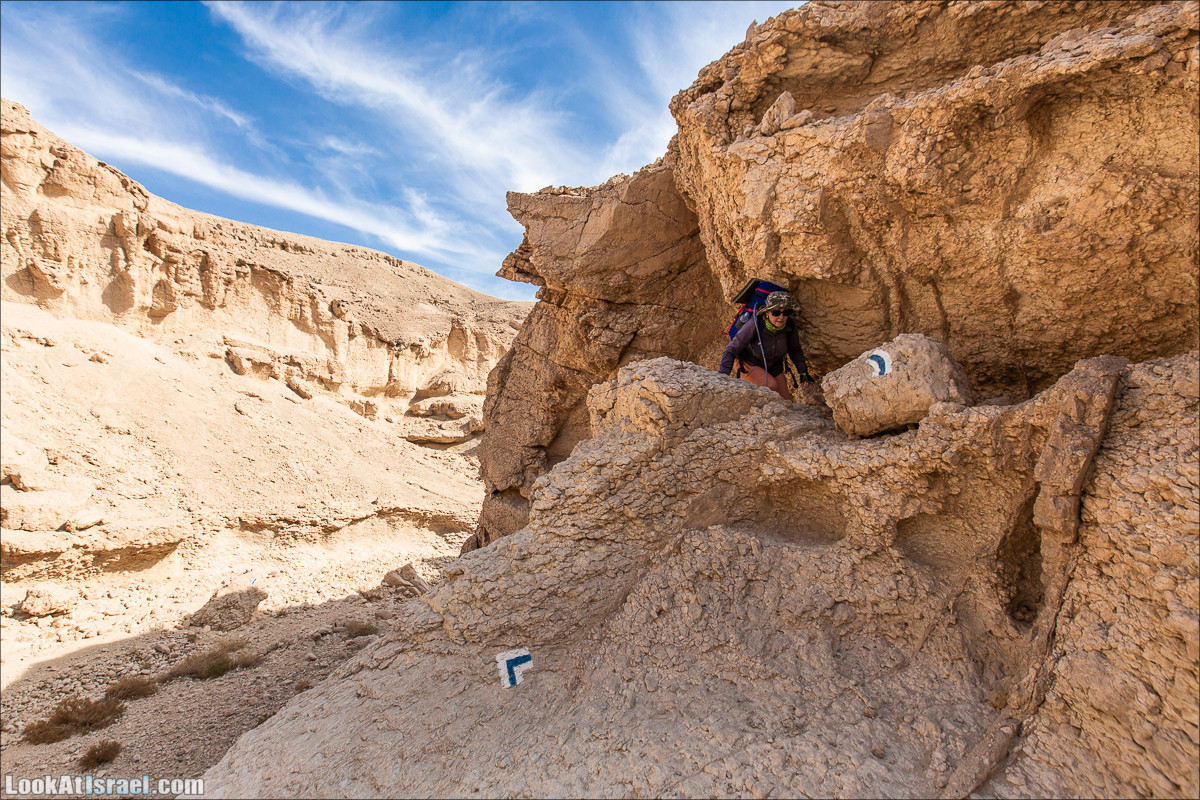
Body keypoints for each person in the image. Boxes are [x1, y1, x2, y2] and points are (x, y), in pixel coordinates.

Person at [718, 291, 814, 401]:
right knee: (770, 386)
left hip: (774, 367)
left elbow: (795, 350)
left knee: (786, 401)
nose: (781, 317)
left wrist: (803, 372)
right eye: (776, 313)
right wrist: (723, 375)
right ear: (767, 313)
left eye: (786, 312)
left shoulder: (789, 327)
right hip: (749, 363)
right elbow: (731, 349)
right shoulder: (755, 324)